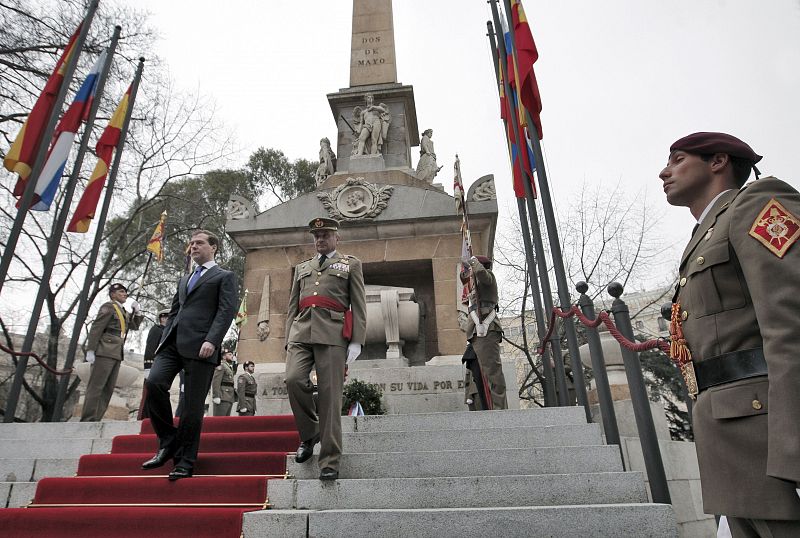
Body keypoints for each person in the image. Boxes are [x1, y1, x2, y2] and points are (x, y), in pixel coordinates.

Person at [660, 132, 800, 536]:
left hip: (771, 439)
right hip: (729, 439)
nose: (663, 171)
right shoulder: (703, 235)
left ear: (718, 161)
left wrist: (795, 451)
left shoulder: (755, 203)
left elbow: (790, 325)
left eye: (678, 159)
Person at [141, 229, 238, 481]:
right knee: (154, 383)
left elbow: (226, 311)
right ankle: (168, 440)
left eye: (199, 243)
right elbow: (175, 311)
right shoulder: (185, 279)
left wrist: (212, 341)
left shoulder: (224, 276)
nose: (193, 247)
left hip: (201, 348)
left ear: (213, 247)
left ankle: (185, 462)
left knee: (192, 408)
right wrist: (164, 340)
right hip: (172, 344)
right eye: (191, 243)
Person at [284, 217, 367, 481]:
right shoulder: (302, 267)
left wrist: (356, 340)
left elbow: (359, 305)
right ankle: (310, 433)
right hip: (301, 331)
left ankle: (329, 461)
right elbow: (292, 306)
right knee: (293, 379)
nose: (320, 240)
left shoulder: (350, 264)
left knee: (330, 399)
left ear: (336, 238)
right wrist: (288, 338)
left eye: (325, 235)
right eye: (316, 236)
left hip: (332, 334)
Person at [80, 283, 143, 422]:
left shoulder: (122, 311)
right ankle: (87, 419)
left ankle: (96, 418)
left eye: (125, 292)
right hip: (104, 350)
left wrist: (137, 312)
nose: (124, 294)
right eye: (121, 292)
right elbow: (97, 327)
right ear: (112, 294)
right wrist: (91, 349)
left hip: (116, 352)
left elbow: (134, 326)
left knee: (108, 389)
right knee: (96, 387)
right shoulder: (108, 307)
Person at [459, 255, 507, 410]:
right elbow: (465, 279)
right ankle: (488, 407)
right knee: (480, 374)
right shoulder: (476, 286)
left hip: (486, 331)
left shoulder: (488, 279)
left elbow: (482, 275)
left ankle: (500, 410)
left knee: (493, 372)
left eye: (472, 269)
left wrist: (472, 260)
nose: (471, 273)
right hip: (476, 333)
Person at [138, 308, 170, 420]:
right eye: (166, 317)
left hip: (163, 368)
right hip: (153, 366)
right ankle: (143, 417)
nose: (168, 320)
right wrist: (148, 367)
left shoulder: (169, 332)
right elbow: (150, 349)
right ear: (162, 318)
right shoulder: (156, 330)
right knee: (148, 394)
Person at [210, 349, 236, 416]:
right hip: (222, 396)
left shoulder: (229, 367)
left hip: (229, 397)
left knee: (226, 422)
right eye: (229, 354)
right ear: (224, 357)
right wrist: (216, 396)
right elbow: (216, 381)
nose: (232, 356)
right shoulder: (221, 366)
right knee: (219, 420)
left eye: (232, 354)